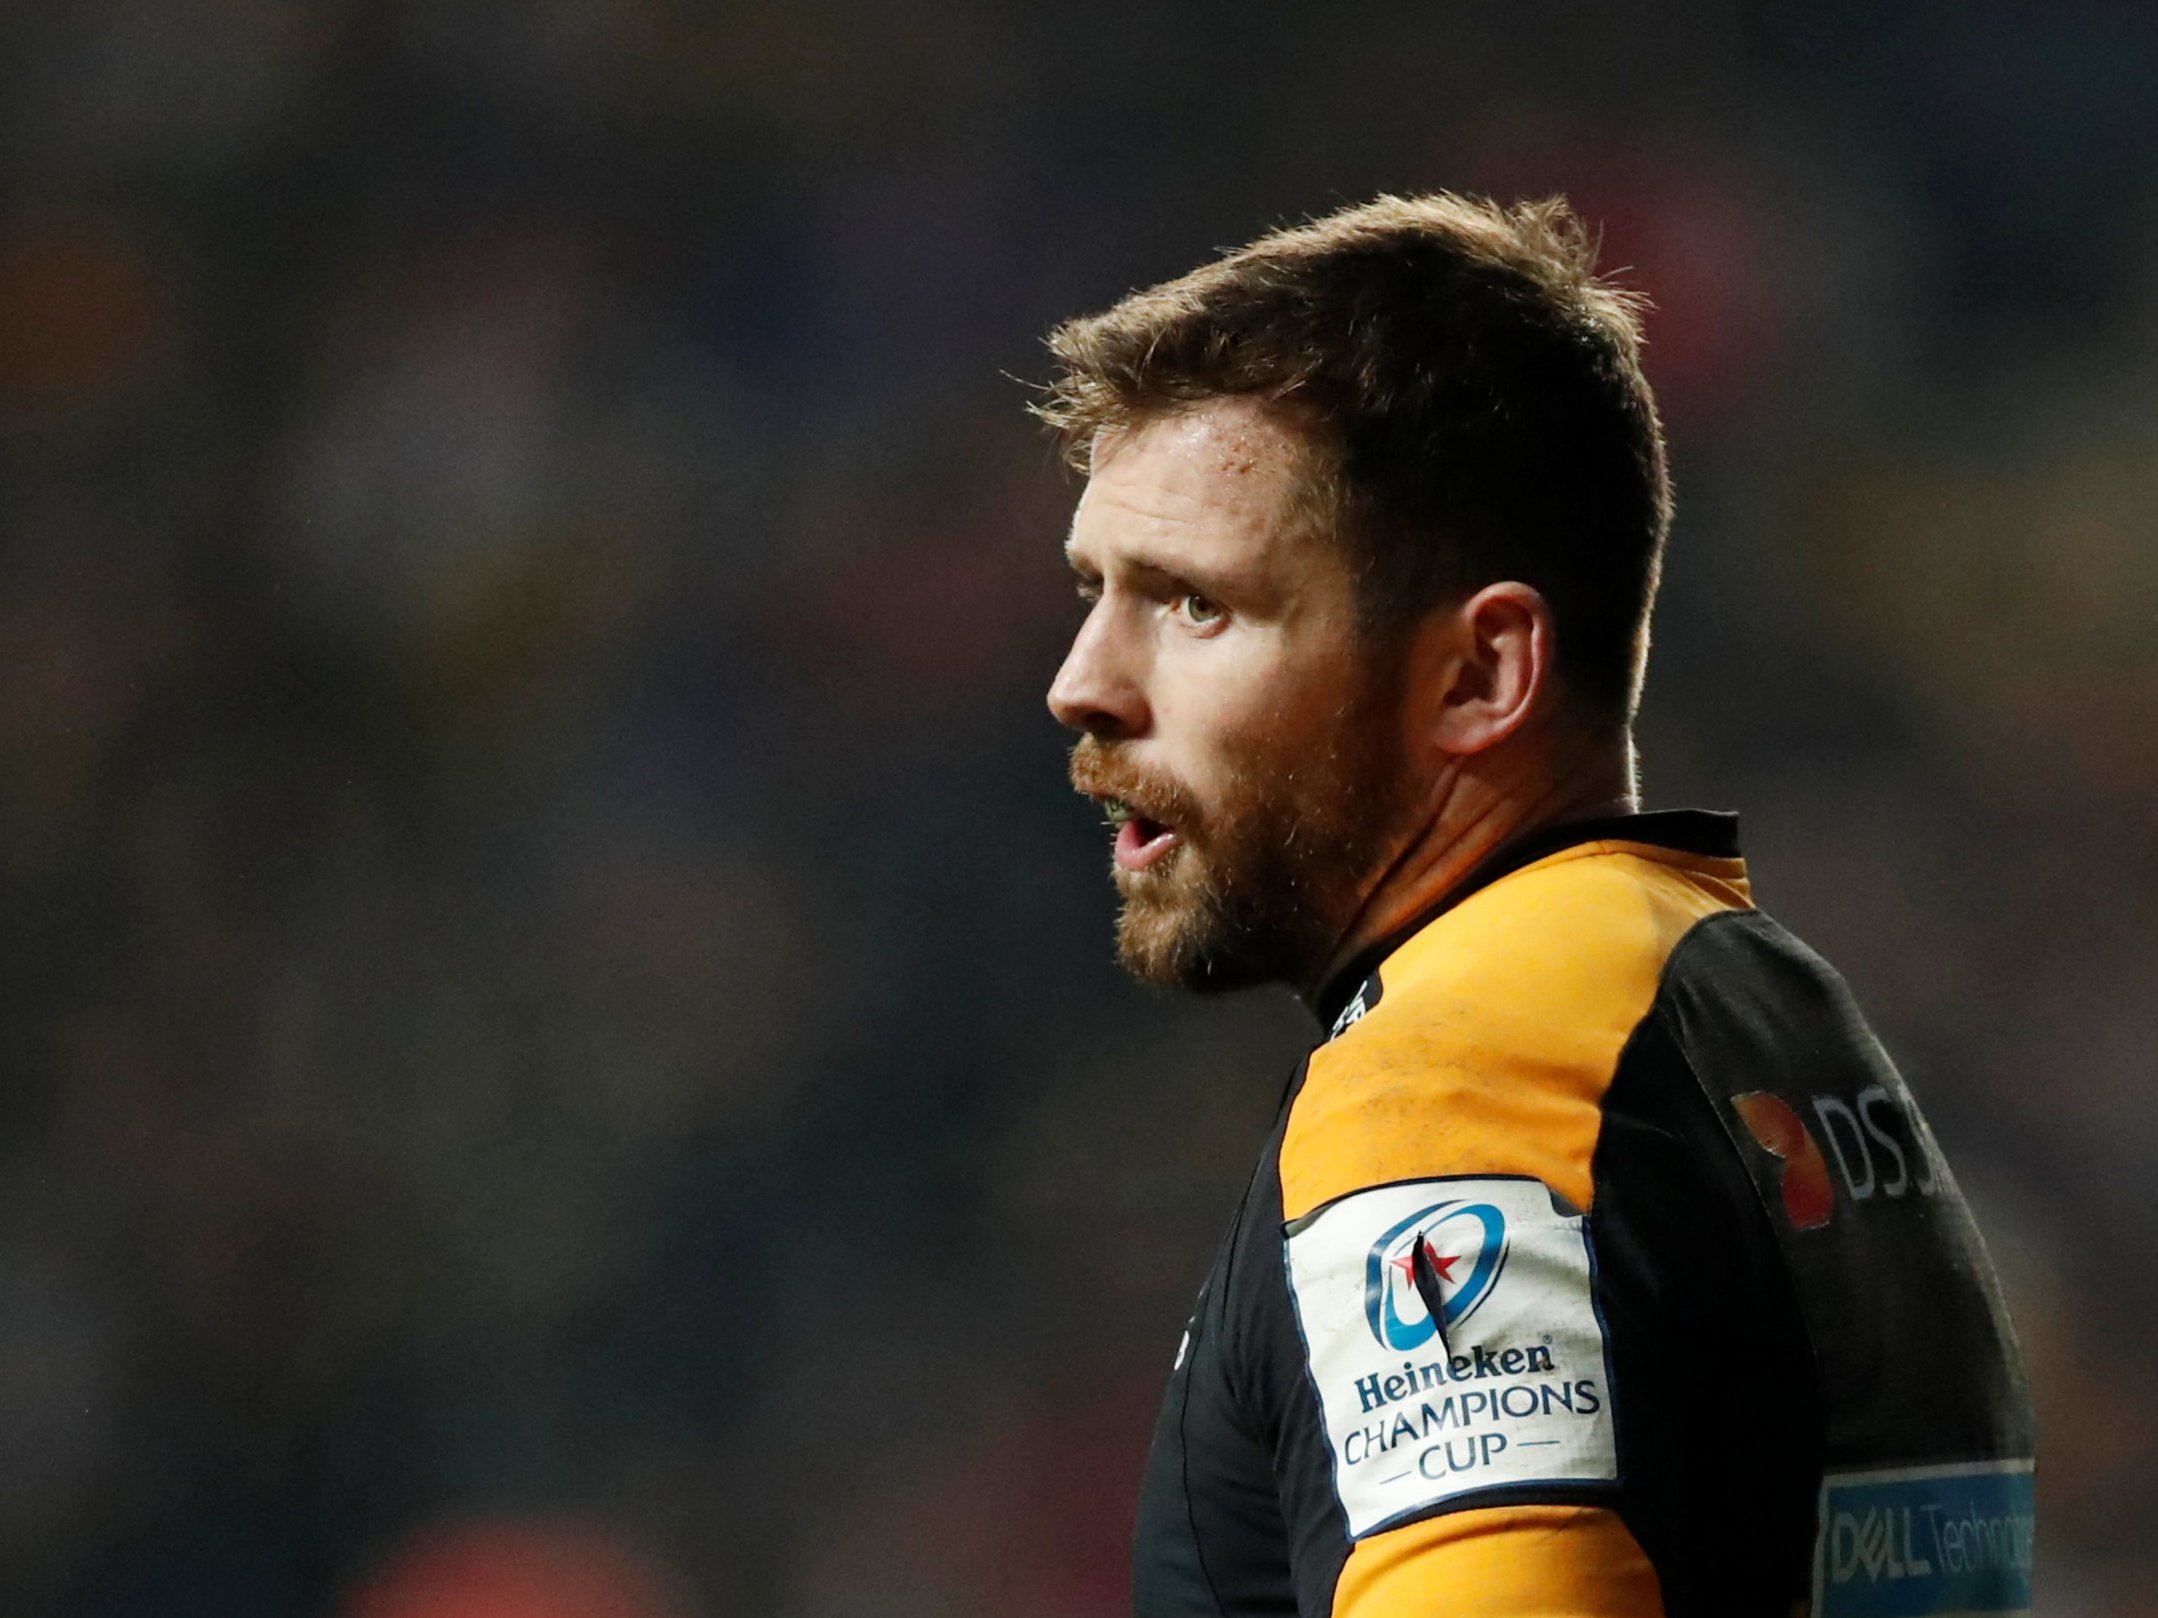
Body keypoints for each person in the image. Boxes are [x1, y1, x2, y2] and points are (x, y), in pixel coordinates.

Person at [1035, 194, 2034, 1618]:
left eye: (1195, 605)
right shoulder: (1755, 1004)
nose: (1081, 683)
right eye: (1095, 591)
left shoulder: (1459, 1087)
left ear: (1478, 675)